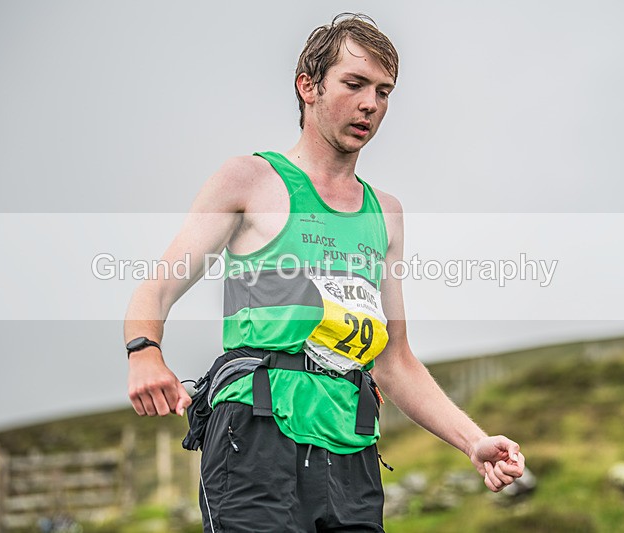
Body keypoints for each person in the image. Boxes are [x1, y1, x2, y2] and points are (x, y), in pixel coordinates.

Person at [125, 13, 525, 532]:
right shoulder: (249, 179)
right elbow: (156, 290)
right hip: (255, 435)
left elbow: (394, 360)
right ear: (308, 86)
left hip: (351, 445)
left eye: (384, 92)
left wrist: (474, 441)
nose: (370, 104)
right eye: (355, 84)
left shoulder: (387, 213)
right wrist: (144, 352)